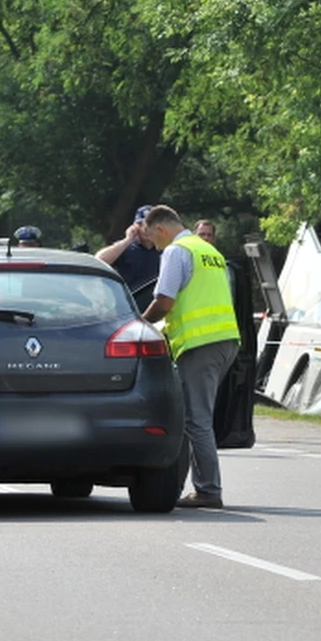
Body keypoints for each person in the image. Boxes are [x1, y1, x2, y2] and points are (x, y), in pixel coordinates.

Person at [140, 205, 241, 509]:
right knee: (192, 418)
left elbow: (165, 300)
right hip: (224, 340)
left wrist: (140, 324)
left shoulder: (176, 251)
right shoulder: (209, 252)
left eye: (153, 240)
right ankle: (179, 485)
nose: (156, 248)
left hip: (199, 343)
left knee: (196, 419)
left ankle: (209, 490)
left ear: (160, 229)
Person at [95, 205, 162, 309]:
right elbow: (99, 260)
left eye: (149, 224)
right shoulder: (124, 248)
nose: (144, 229)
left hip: (156, 309)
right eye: (140, 224)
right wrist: (128, 240)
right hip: (129, 309)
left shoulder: (165, 249)